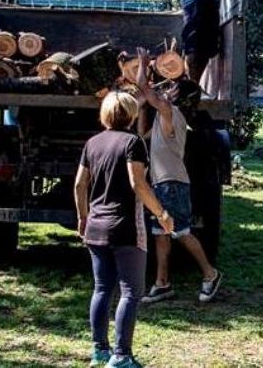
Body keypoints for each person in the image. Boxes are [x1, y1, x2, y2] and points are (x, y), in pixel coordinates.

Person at [74, 92, 174, 368]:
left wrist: (83, 217)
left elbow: (80, 184)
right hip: (126, 228)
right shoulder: (133, 142)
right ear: (131, 115)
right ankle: (121, 356)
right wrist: (162, 213)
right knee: (131, 291)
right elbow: (138, 184)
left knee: (101, 288)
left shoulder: (92, 143)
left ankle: (99, 352)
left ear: (104, 115)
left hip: (95, 226)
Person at [135, 48, 223, 304]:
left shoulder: (172, 114)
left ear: (176, 98)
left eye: (172, 89)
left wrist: (141, 63)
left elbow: (143, 86)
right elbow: (142, 135)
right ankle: (162, 283)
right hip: (162, 183)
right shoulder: (164, 120)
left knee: (181, 232)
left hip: (172, 184)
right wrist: (142, 107)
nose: (167, 89)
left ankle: (211, 273)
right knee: (160, 235)